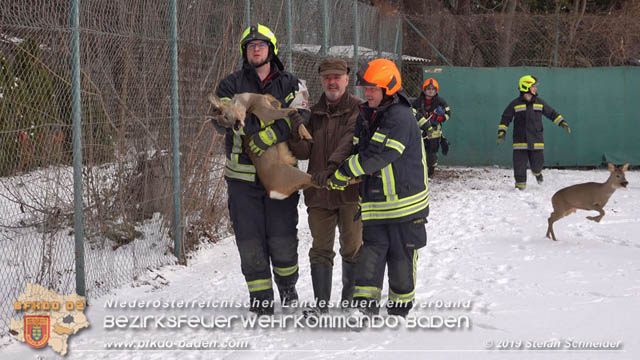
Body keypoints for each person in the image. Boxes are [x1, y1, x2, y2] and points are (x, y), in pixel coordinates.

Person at [324, 58, 429, 317]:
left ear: (388, 89)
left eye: (372, 88)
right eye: (365, 88)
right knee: (369, 261)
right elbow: (360, 150)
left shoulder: (400, 116)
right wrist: (338, 172)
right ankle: (365, 311)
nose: (366, 93)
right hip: (375, 207)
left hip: (405, 208)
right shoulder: (367, 116)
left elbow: (378, 156)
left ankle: (399, 314)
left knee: (401, 263)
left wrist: (345, 172)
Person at [214, 24, 307, 316]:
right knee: (249, 239)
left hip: (280, 173)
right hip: (243, 179)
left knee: (282, 237)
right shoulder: (230, 84)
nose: (256, 48)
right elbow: (221, 119)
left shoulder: (292, 83)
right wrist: (231, 117)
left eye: (262, 44)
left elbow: (301, 117)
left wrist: (261, 128)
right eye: (251, 45)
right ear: (245, 51)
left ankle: (288, 288)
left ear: (272, 50)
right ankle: (261, 298)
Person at [288, 58, 363, 315]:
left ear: (346, 79)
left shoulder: (358, 110)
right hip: (318, 192)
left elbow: (350, 142)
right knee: (320, 249)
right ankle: (321, 305)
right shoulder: (313, 112)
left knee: (352, 247)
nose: (332, 82)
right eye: (327, 78)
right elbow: (303, 150)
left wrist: (332, 168)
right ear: (322, 81)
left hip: (350, 191)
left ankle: (351, 303)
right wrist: (295, 126)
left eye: (337, 77)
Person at [497, 75, 571, 190]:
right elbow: (506, 117)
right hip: (520, 142)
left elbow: (552, 113)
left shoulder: (540, 103)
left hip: (536, 141)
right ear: (526, 87)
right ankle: (520, 187)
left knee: (537, 164)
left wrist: (562, 122)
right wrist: (502, 131)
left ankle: (537, 173)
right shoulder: (515, 104)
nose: (535, 88)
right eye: (533, 86)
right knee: (519, 165)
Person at [411, 78, 451, 177]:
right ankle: (420, 172)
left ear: (436, 90)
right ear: (424, 89)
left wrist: (438, 118)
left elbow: (448, 115)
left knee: (432, 153)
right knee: (419, 151)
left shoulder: (440, 101)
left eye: (433, 89)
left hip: (434, 131)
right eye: (428, 88)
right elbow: (411, 113)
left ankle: (431, 172)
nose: (430, 90)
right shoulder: (418, 102)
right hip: (420, 131)